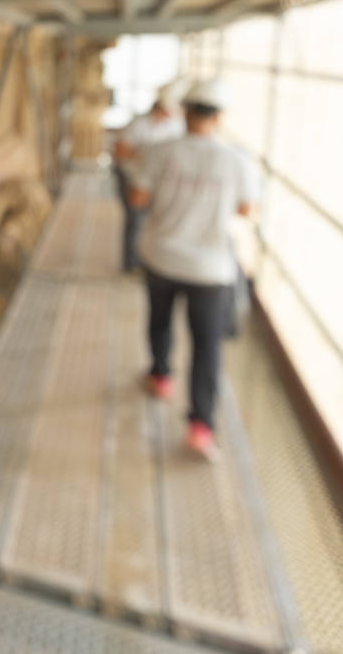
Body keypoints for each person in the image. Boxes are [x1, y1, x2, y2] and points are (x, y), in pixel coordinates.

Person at [127, 78, 259, 459]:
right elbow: (248, 210)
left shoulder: (159, 151)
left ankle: (160, 376)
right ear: (218, 116)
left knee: (160, 319)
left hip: (161, 255)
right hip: (210, 269)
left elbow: (137, 198)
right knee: (207, 347)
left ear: (185, 111)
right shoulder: (237, 161)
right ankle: (201, 426)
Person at [112, 81, 185, 272]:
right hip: (132, 177)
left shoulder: (176, 126)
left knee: (152, 221)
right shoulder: (139, 124)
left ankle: (149, 260)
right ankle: (131, 263)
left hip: (159, 182)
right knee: (135, 219)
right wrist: (146, 156)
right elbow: (119, 151)